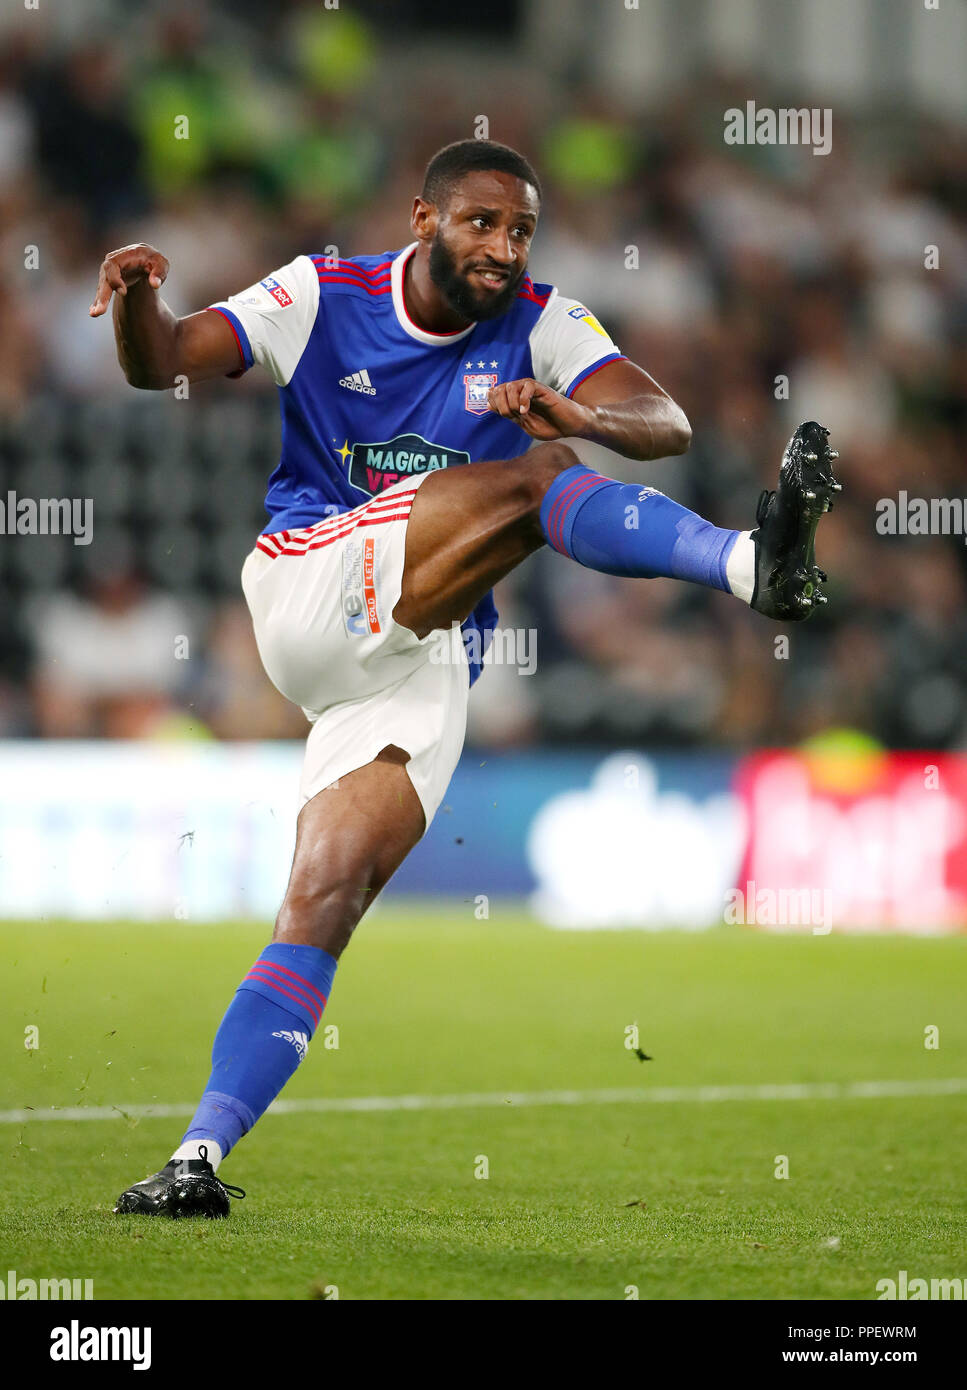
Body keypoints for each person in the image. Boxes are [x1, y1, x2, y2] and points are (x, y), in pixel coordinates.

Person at [91, 139, 840, 1217]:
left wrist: (583, 412)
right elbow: (157, 359)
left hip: (419, 655)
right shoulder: (322, 294)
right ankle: (749, 564)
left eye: (522, 229)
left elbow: (662, 423)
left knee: (324, 901)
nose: (503, 246)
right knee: (535, 481)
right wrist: (135, 298)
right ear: (422, 218)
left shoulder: (542, 318)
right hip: (309, 584)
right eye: (482, 223)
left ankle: (195, 1158)